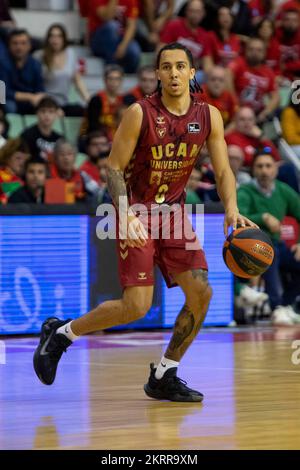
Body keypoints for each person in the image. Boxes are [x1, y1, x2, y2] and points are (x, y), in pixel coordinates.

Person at [33, 42, 256, 402]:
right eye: (165, 67)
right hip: (135, 210)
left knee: (202, 293)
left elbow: (223, 169)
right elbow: (114, 168)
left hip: (173, 214)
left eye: (180, 66)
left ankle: (164, 375)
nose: (173, 73)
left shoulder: (209, 114)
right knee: (136, 305)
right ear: (157, 74)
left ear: (192, 72)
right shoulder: (140, 113)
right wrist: (124, 213)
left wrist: (231, 206)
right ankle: (62, 334)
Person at [238, 150, 300, 325]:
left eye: (268, 166)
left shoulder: (283, 190)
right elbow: (239, 215)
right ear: (253, 171)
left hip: (277, 243)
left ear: (276, 170)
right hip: (250, 245)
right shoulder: (245, 191)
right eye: (259, 166)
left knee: (285, 256)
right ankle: (276, 307)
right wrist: (262, 216)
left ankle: (285, 305)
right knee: (270, 254)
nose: (264, 171)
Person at [35, 24, 90, 116]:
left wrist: (89, 100)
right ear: (48, 39)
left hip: (64, 102)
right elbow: (36, 86)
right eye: (52, 36)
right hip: (44, 103)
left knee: (83, 111)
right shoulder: (39, 56)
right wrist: (53, 108)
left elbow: (78, 80)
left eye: (59, 36)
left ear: (64, 39)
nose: (55, 39)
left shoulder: (71, 53)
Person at [227, 37, 280, 122]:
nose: (254, 52)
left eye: (259, 50)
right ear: (246, 51)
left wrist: (264, 114)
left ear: (264, 53)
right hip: (236, 110)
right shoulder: (239, 63)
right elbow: (227, 78)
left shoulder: (268, 72)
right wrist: (236, 105)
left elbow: (276, 98)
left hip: (256, 114)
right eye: (251, 49)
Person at [85, 0, 141, 73]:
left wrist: (123, 46)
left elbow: (131, 25)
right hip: (98, 41)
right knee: (112, 26)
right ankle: (112, 71)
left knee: (134, 50)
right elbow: (107, 17)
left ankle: (124, 76)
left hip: (120, 40)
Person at [159, 0, 213, 73]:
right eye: (192, 11)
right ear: (186, 11)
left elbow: (208, 63)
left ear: (203, 13)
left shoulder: (204, 35)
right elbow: (161, 51)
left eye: (198, 11)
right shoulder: (174, 26)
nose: (195, 15)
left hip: (193, 74)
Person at [0, 29, 45, 114]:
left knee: (46, 107)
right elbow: (3, 92)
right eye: (15, 43)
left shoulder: (35, 64)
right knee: (9, 106)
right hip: (9, 101)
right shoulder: (2, 63)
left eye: (23, 43)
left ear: (29, 45)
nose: (19, 47)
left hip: (30, 102)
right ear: (9, 45)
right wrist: (29, 96)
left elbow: (40, 89)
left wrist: (39, 97)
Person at [79, 65, 125, 143]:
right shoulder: (96, 100)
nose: (113, 82)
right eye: (110, 78)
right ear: (105, 80)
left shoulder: (124, 100)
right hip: (95, 139)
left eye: (117, 79)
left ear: (121, 81)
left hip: (117, 140)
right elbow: (92, 126)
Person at [21, 96, 62, 161]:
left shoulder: (59, 139)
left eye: (51, 112)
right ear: (37, 113)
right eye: (43, 111)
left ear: (56, 115)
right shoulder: (27, 135)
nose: (46, 115)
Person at [0, 138, 29, 203]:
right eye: (18, 158)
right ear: (7, 158)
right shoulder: (1, 175)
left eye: (24, 159)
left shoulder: (24, 178)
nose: (22, 163)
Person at [275, 9, 300, 81]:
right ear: (282, 22)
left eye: (294, 20)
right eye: (287, 20)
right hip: (278, 75)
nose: (291, 23)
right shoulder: (275, 34)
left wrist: (287, 66)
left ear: (298, 23)